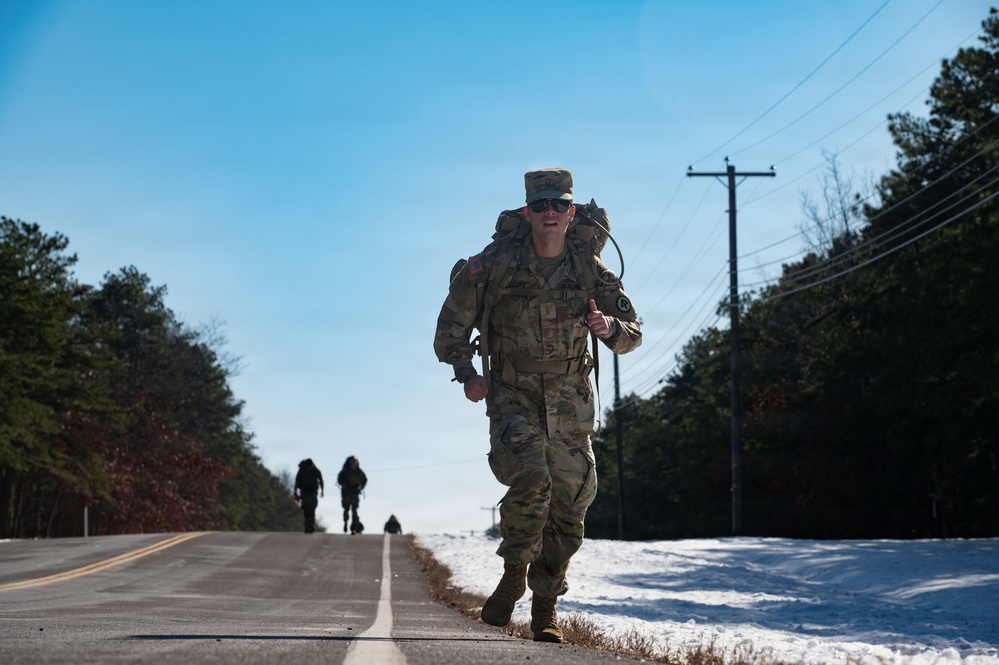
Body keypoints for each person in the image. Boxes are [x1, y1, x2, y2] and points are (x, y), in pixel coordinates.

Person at [434, 167, 642, 643]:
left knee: (572, 506)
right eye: (541, 205)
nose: (550, 213)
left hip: (571, 404)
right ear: (527, 212)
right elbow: (449, 329)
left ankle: (545, 604)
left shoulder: (591, 267)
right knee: (532, 476)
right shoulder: (494, 266)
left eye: (560, 205)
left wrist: (607, 328)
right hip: (513, 397)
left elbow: (633, 334)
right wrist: (467, 374)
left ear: (571, 213)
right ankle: (513, 574)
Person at [337, 455, 367, 534]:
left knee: (354, 511)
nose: (353, 464)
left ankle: (353, 528)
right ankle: (345, 523)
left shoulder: (359, 472)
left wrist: (361, 487)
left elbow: (364, 480)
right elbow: (339, 478)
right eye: (352, 462)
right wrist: (343, 484)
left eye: (354, 462)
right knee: (346, 510)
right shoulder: (345, 471)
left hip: (355, 493)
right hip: (346, 492)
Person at [293, 458, 324, 534]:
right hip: (304, 491)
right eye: (308, 467)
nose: (309, 468)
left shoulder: (316, 471)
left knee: (312, 508)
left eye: (310, 466)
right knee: (305, 508)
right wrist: (295, 492)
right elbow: (297, 482)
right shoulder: (301, 471)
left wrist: (322, 491)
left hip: (313, 491)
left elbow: (321, 480)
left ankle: (311, 525)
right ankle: (307, 525)